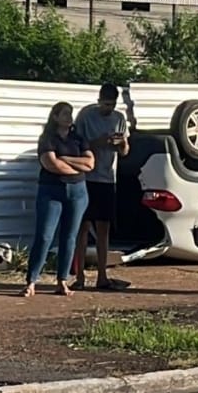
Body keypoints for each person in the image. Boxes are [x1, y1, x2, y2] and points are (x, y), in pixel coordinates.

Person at [21, 101, 94, 298]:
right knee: (44, 235)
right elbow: (51, 164)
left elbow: (90, 163)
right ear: (55, 117)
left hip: (78, 192)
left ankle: (62, 281)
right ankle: (31, 281)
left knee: (69, 237)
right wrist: (75, 168)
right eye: (64, 114)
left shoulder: (78, 138)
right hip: (51, 191)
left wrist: (65, 159)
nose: (69, 117)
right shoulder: (47, 139)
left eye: (71, 113)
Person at [71, 83, 130, 291]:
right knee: (83, 227)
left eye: (112, 104)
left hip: (107, 177)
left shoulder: (119, 119)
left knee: (103, 227)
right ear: (98, 100)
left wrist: (121, 143)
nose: (109, 108)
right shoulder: (86, 115)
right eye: (105, 104)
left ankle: (102, 275)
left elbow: (125, 151)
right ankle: (79, 276)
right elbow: (76, 144)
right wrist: (98, 142)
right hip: (87, 176)